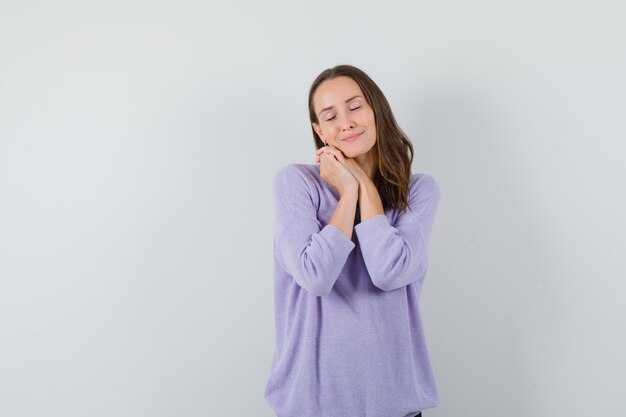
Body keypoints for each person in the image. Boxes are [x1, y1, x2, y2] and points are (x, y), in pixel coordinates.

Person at [264, 64, 441, 417]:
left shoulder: (419, 191)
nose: (345, 122)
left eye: (355, 106)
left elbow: (389, 271)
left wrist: (361, 180)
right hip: (312, 406)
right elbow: (315, 275)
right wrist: (348, 193)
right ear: (320, 131)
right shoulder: (296, 183)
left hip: (395, 405)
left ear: (377, 109)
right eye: (330, 116)